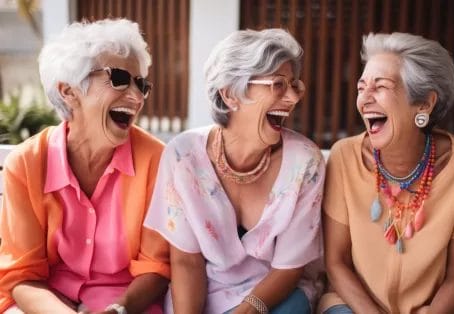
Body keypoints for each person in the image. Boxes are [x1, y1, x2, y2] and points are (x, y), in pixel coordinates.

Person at [144, 28, 325, 314]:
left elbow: (289, 268)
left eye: (295, 85)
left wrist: (247, 309)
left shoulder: (305, 162)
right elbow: (186, 262)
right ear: (230, 94)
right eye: (278, 84)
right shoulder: (183, 156)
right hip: (206, 292)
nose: (292, 97)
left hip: (275, 296)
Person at [0, 18, 170, 313]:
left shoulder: (157, 160)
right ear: (69, 91)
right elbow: (22, 274)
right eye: (118, 78)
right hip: (46, 301)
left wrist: (119, 309)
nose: (137, 96)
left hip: (127, 303)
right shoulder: (25, 164)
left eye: (141, 84)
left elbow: (155, 267)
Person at [319, 32, 454, 313]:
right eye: (362, 87)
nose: (365, 98)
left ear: (424, 103)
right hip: (355, 307)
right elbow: (336, 263)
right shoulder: (344, 156)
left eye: (380, 86)